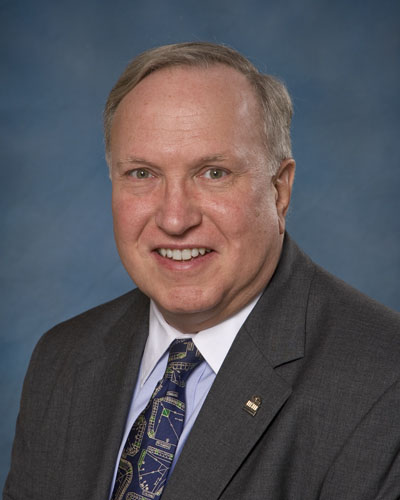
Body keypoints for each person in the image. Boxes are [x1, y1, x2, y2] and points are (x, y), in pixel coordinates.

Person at [4, 42, 400, 500]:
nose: (175, 219)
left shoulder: (384, 383)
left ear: (279, 190)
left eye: (213, 173)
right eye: (142, 174)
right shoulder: (63, 359)